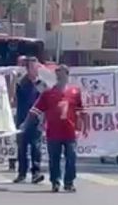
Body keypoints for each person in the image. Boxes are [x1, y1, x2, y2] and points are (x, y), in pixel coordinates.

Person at [25, 64, 83, 193]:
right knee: (54, 159)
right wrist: (26, 123)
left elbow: (80, 112)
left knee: (71, 157)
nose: (59, 76)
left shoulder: (75, 92)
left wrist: (80, 128)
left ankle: (69, 182)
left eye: (62, 73)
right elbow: (36, 109)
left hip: (70, 131)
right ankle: (55, 182)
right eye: (58, 73)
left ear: (67, 75)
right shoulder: (48, 93)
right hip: (53, 132)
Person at [13, 56, 45, 184]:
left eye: (36, 66)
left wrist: (44, 120)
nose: (35, 69)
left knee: (36, 148)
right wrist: (13, 82)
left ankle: (36, 173)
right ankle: (21, 173)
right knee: (22, 148)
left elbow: (45, 101)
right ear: (27, 69)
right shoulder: (21, 83)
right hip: (22, 120)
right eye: (32, 67)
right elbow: (13, 100)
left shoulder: (41, 84)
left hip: (36, 121)